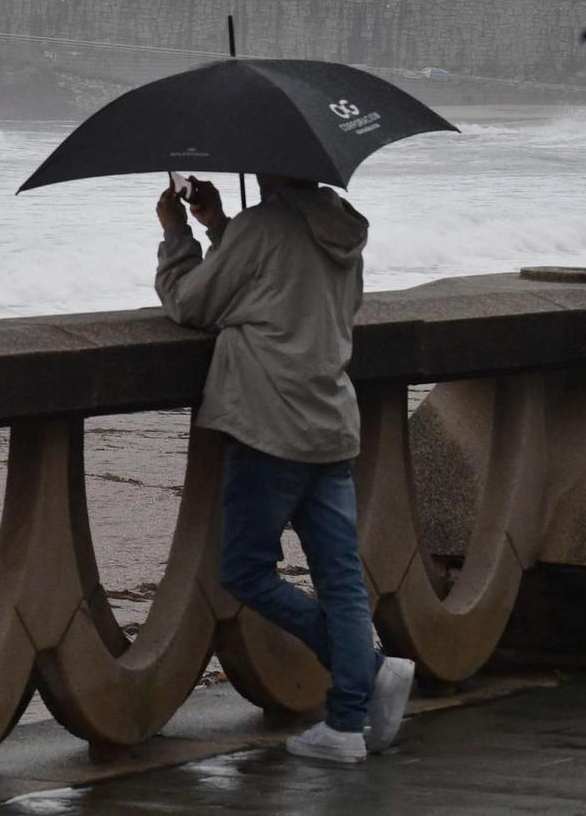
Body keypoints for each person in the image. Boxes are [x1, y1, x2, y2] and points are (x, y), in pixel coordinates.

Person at [154, 173, 415, 765]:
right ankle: (349, 719)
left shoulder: (264, 226)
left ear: (267, 165)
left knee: (245, 570)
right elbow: (281, 290)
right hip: (330, 422)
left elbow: (191, 304)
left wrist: (178, 238)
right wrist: (221, 227)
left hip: (268, 425)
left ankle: (370, 675)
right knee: (342, 579)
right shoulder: (343, 228)